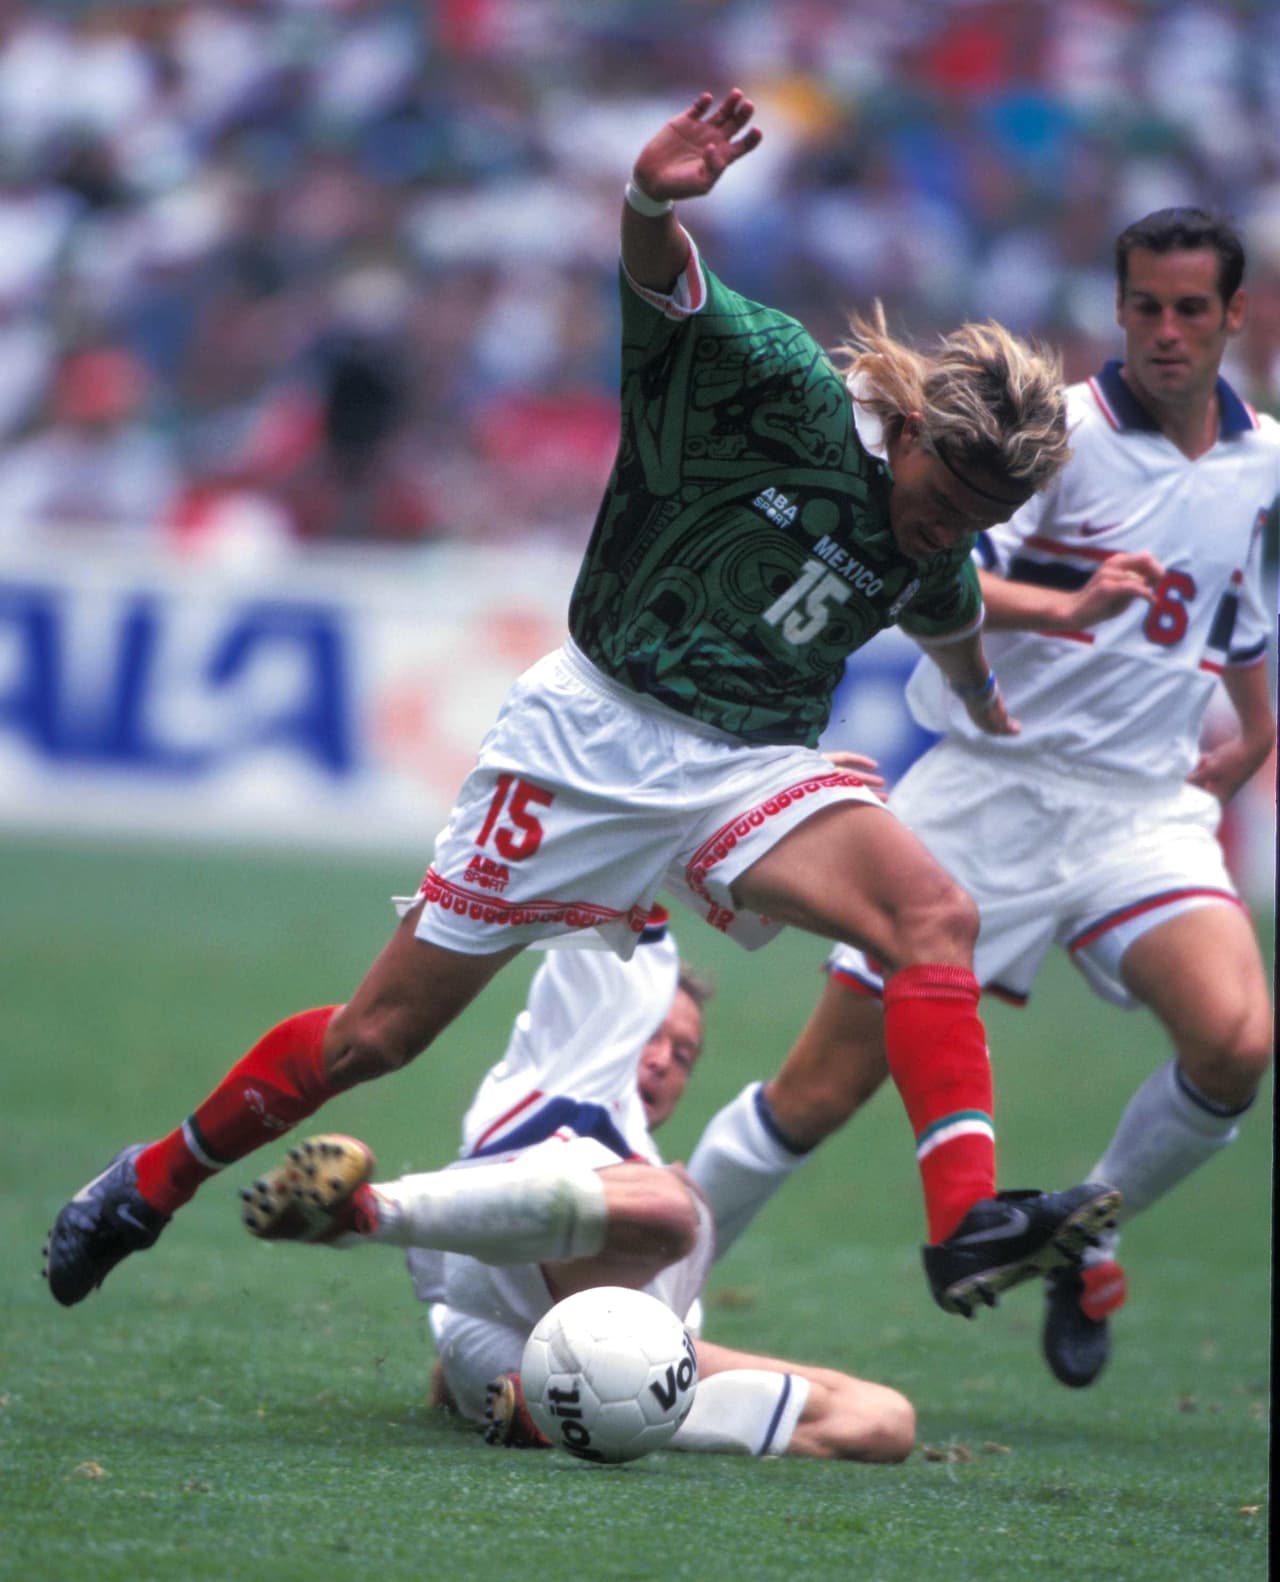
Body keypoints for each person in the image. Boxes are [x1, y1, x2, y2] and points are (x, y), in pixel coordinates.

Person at [44, 88, 1118, 1323]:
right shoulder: (769, 384)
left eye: (983, 516)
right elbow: (665, 284)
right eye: (948, 491)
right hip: (587, 740)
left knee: (931, 913)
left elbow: (948, 606)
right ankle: (149, 1181)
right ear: (913, 424)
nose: (950, 523)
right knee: (376, 1038)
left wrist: (987, 699)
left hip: (746, 767)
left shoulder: (932, 537)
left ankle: (963, 1222)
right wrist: (650, 199)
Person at [685, 206, 1276, 1386]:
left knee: (1235, 1041)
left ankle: (1079, 1226)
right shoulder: (1052, 440)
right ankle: (650, 1287)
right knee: (819, 1090)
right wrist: (1063, 605)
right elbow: (934, 573)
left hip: (1138, 805)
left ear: (1231, 315)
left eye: (1190, 309)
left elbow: (1238, 611)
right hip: (988, 788)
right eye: (1145, 306)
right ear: (1117, 309)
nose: (1165, 331)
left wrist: (1255, 731)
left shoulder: (1264, 463)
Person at [238, 915, 916, 1462]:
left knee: (885, 1421)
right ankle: (363, 1212)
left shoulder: (657, 1162)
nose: (661, 1059)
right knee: (671, 1212)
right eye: (653, 1037)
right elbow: (618, 869)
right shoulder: (572, 1070)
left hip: (588, 1346)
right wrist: (769, 804)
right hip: (511, 1256)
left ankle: (568, 1412)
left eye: (684, 1055)